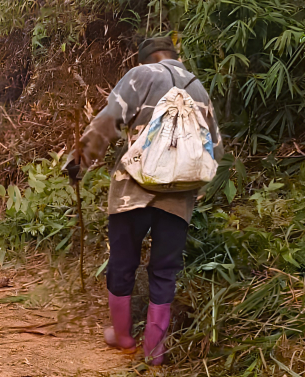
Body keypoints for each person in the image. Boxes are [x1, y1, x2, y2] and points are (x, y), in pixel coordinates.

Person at [74, 36, 223, 365]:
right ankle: (154, 350)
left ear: (143, 59)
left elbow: (108, 122)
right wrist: (194, 189)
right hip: (179, 197)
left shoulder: (141, 75)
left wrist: (79, 161)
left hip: (133, 190)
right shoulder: (198, 87)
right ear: (175, 56)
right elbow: (216, 148)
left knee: (122, 262)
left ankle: (123, 337)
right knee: (165, 270)